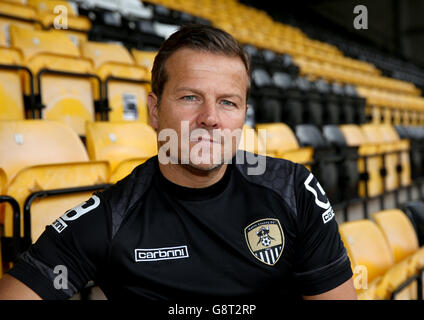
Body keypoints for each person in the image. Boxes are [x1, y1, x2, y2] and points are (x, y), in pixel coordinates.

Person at [0, 24, 356, 300]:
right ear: (154, 110)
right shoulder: (109, 219)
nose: (210, 118)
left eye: (228, 103)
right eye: (190, 97)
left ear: (243, 116)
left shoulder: (295, 191)